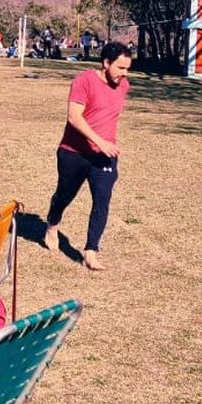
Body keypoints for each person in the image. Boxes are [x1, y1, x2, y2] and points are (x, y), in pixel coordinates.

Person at [44, 42, 133, 271]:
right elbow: (74, 117)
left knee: (102, 200)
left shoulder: (124, 86)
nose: (125, 74)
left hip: (104, 157)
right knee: (64, 196)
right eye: (120, 68)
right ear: (106, 63)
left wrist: (106, 144)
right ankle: (52, 224)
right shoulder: (84, 81)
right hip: (73, 153)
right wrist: (99, 141)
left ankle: (91, 250)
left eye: (127, 69)